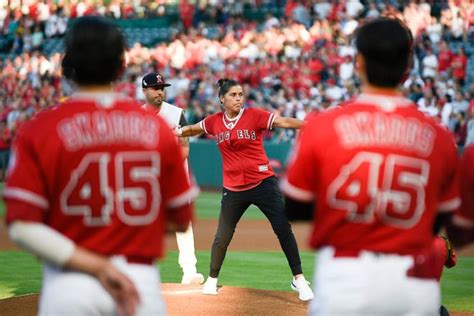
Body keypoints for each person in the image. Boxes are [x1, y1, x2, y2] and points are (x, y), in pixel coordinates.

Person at [4, 16, 199, 316]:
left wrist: (96, 263)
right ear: (120, 67)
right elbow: (180, 219)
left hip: (68, 284)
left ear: (67, 66)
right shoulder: (157, 128)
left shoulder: (39, 129)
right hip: (138, 282)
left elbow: (21, 226)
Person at [281, 17, 463, 315]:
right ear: (408, 66)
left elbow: (295, 207)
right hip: (413, 285)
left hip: (345, 281)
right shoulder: (439, 136)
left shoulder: (323, 126)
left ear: (359, 63)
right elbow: (443, 217)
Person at [175, 78, 314, 301]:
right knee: (223, 235)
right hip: (234, 188)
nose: (239, 98)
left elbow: (284, 122)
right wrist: (179, 132)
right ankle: (212, 279)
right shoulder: (214, 122)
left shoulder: (254, 115)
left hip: (263, 182)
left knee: (283, 229)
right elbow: (194, 128)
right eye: (233, 95)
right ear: (222, 99)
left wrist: (312, 125)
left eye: (240, 94)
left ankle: (298, 279)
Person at [141, 72, 204, 285]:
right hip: (146, 180)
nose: (160, 92)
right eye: (155, 88)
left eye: (162, 88)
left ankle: (189, 271)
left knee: (183, 224)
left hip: (174, 178)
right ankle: (139, 271)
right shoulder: (137, 116)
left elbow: (184, 148)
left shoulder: (176, 114)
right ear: (144, 90)